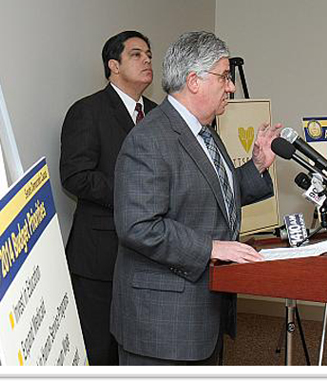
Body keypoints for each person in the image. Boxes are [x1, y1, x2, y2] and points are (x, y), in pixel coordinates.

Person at [110, 31, 282, 365]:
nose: (230, 87)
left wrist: (258, 164)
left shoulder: (205, 132)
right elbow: (138, 226)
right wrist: (211, 247)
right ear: (194, 81)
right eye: (224, 77)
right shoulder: (149, 139)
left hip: (204, 308)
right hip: (162, 325)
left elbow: (215, 195)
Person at [60, 30, 157, 365]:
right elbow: (76, 176)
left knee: (141, 346)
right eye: (136, 54)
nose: (147, 60)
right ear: (113, 65)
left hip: (151, 253)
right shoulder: (87, 111)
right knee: (100, 351)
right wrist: (136, 197)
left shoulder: (159, 116)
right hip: (100, 256)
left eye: (148, 54)